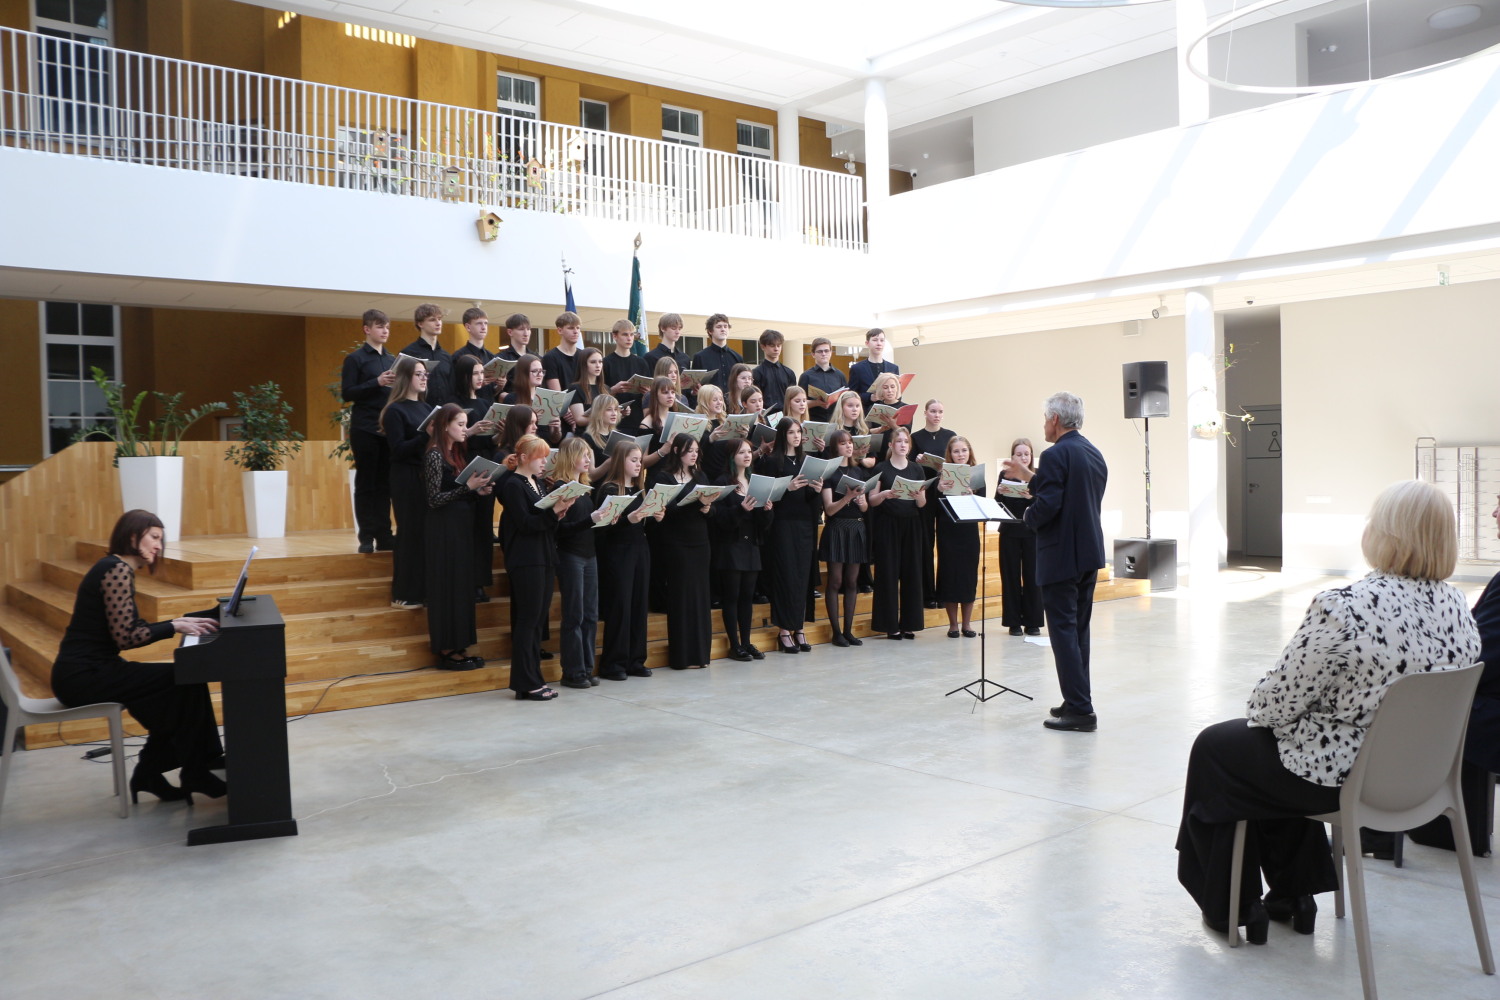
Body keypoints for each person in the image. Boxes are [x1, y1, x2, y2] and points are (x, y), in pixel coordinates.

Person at [1176, 480, 1480, 944]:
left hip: (1346, 780)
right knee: (1276, 750)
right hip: (1423, 781)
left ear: (1385, 534)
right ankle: (1293, 896)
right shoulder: (1458, 608)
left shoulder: (1346, 608)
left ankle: (1233, 907)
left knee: (1220, 747)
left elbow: (1270, 705)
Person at [50, 509, 225, 803]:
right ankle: (193, 768)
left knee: (175, 691)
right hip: (83, 676)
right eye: (154, 537)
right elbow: (127, 636)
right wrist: (175, 626)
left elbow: (127, 628)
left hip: (91, 670)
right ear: (133, 536)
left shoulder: (113, 568)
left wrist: (176, 622)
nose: (159, 546)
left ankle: (155, 773)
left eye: (160, 539)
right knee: (182, 680)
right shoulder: (116, 569)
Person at [1004, 392, 1106, 731]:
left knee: (1062, 633)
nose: (1044, 424)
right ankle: (1076, 699)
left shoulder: (1053, 454)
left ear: (1055, 420)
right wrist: (1029, 477)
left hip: (1061, 555)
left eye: (1045, 418)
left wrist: (1027, 517)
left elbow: (1048, 506)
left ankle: (1081, 711)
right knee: (1078, 632)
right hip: (1088, 554)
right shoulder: (1092, 452)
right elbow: (1071, 493)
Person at [498, 434, 574, 701]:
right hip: (526, 559)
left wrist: (559, 512)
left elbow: (542, 521)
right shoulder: (512, 485)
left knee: (536, 621)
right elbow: (526, 524)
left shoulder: (538, 483)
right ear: (523, 458)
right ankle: (526, 682)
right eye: (540, 457)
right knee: (528, 621)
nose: (544, 462)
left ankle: (533, 680)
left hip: (544, 556)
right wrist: (553, 513)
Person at [422, 403, 494, 669]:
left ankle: (459, 645)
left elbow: (456, 491)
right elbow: (433, 499)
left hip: (460, 528)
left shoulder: (455, 453)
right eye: (461, 425)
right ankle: (446, 649)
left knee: (461, 588)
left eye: (465, 425)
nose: (466, 429)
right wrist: (467, 488)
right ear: (445, 426)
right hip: (443, 531)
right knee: (446, 588)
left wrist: (477, 490)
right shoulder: (434, 454)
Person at [594, 441, 659, 680]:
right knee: (620, 606)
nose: (638, 464)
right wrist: (628, 519)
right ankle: (614, 663)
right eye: (633, 460)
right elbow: (602, 529)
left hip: (640, 549)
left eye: (640, 460)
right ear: (621, 461)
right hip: (617, 551)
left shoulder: (640, 489)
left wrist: (655, 515)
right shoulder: (609, 489)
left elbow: (642, 524)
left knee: (639, 605)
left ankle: (635, 660)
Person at [756, 418, 820, 654]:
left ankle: (799, 628)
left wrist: (816, 490)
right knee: (786, 575)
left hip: (804, 524)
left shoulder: (805, 461)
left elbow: (809, 499)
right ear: (783, 435)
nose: (796, 436)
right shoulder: (771, 461)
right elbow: (765, 495)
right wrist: (787, 488)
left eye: (798, 432)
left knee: (802, 576)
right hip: (782, 524)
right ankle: (784, 630)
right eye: (791, 432)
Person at [650, 433, 714, 669]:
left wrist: (708, 508)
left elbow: (711, 511)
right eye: (690, 450)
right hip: (676, 543)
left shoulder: (700, 476)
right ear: (677, 451)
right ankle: (682, 657)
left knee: (700, 597)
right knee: (680, 597)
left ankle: (701, 655)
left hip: (700, 542)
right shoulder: (664, 477)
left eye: (696, 450)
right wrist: (698, 504)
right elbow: (669, 511)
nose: (694, 454)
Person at [340, 308, 396, 553]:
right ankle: (366, 536)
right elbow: (347, 393)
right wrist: (377, 382)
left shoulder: (392, 360)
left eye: (387, 327)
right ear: (367, 329)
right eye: (380, 326)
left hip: (387, 429)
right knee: (366, 483)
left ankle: (384, 535)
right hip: (365, 428)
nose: (385, 331)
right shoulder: (355, 359)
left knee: (385, 484)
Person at [379, 355, 433, 609]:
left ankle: (424, 590)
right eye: (418, 374)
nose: (424, 378)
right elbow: (398, 450)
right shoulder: (395, 410)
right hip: (406, 476)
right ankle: (403, 593)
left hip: (426, 475)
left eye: (425, 374)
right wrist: (426, 435)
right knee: (409, 533)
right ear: (405, 378)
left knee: (425, 535)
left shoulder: (426, 408)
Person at [551, 438, 606, 689]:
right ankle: (572, 671)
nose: (588, 460)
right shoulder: (561, 487)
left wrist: (605, 518)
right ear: (570, 457)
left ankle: (586, 667)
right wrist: (591, 520)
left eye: (588, 455)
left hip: (589, 554)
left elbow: (586, 524)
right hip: (570, 555)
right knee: (574, 614)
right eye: (584, 455)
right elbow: (560, 530)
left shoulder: (584, 487)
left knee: (591, 614)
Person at [712, 438, 772, 661]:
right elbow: (719, 520)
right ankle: (734, 645)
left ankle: (746, 642)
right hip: (731, 546)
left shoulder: (753, 481)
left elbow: (764, 524)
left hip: (751, 545)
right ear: (731, 457)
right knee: (732, 597)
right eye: (741, 453)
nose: (747, 456)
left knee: (747, 597)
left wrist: (767, 510)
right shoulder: (723, 482)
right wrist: (741, 509)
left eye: (749, 452)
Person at [867, 425, 927, 640]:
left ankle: (910, 624)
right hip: (888, 525)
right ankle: (889, 625)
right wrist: (885, 494)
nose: (903, 445)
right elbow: (872, 501)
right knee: (888, 573)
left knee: (912, 573)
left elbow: (922, 504)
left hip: (911, 525)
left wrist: (918, 495)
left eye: (906, 442)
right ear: (891, 445)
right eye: (899, 441)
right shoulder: (881, 468)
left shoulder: (917, 470)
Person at [450, 354, 500, 601]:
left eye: (482, 373)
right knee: (465, 528)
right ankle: (464, 581)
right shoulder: (454, 404)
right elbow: (449, 441)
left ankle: (481, 581)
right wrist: (469, 431)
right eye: (476, 373)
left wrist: (499, 434)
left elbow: (491, 441)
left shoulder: (484, 403)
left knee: (483, 526)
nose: (481, 378)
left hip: (485, 464)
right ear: (464, 376)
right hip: (463, 463)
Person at [819, 429, 869, 647]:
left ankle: (848, 631)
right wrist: (847, 497)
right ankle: (836, 632)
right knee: (836, 580)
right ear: (834, 447)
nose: (848, 446)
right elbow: (829, 509)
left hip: (856, 527)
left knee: (851, 581)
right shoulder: (829, 473)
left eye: (850, 442)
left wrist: (861, 502)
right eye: (842, 443)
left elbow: (865, 508)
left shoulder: (858, 471)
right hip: (837, 527)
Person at [996, 437, 1043, 637]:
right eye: (1019, 454)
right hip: (1010, 531)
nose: (1023, 458)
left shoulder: (1038, 475)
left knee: (1033, 576)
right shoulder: (1005, 474)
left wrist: (1031, 497)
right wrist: (1000, 493)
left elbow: (1046, 504)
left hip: (1032, 533)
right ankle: (1013, 621)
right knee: (1010, 577)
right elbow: (998, 504)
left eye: (1026, 454)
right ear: (1012, 456)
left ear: (1031, 456)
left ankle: (1033, 622)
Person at [911, 398, 956, 609]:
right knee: (926, 544)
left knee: (946, 544)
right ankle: (927, 594)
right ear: (925, 413)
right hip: (926, 495)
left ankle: (945, 593)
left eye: (940, 412)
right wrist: (918, 462)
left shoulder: (950, 436)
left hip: (946, 494)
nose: (937, 415)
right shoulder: (916, 437)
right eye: (933, 411)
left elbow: (957, 462)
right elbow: (910, 467)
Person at [934, 436, 980, 638]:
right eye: (956, 451)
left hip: (969, 532)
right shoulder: (941, 476)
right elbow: (934, 508)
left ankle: (967, 624)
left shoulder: (977, 475)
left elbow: (982, 504)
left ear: (969, 452)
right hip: (948, 532)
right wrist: (939, 490)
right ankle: (953, 625)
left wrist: (972, 496)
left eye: (964, 450)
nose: (961, 454)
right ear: (950, 454)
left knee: (968, 577)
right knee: (949, 576)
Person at [399, 303, 454, 406]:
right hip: (417, 410)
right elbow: (402, 387)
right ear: (420, 324)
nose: (438, 323)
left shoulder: (446, 356)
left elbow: (451, 388)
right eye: (432, 320)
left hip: (444, 412)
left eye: (439, 319)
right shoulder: (408, 353)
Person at [503, 353, 564, 446]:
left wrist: (556, 428)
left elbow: (555, 438)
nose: (540, 374)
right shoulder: (511, 399)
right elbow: (511, 434)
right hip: (524, 448)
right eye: (535, 371)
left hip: (545, 448)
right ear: (523, 373)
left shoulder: (547, 397)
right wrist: (530, 419)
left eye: (541, 371)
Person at [603, 319, 651, 411]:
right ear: (615, 336)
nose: (629, 338)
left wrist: (648, 392)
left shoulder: (641, 362)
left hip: (638, 414)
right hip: (614, 414)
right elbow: (598, 395)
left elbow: (649, 392)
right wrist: (613, 390)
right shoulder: (605, 363)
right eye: (625, 334)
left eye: (632, 334)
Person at [847, 327, 898, 409]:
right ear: (867, 343)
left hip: (888, 411)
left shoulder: (893, 368)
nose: (879, 343)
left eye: (882, 340)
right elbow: (851, 395)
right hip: (866, 412)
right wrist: (869, 397)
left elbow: (898, 393)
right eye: (875, 340)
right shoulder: (857, 368)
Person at [799, 336, 847, 423]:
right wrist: (816, 403)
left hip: (836, 422)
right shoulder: (806, 376)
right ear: (813, 354)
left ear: (831, 352)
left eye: (826, 351)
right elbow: (799, 403)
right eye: (820, 351)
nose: (824, 354)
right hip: (814, 421)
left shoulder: (840, 375)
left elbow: (846, 399)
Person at [452, 306, 497, 399]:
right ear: (468, 327)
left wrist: (500, 386)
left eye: (486, 323)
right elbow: (455, 387)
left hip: (488, 405)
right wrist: (477, 384)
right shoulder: (458, 356)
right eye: (479, 323)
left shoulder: (492, 357)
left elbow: (493, 392)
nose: (484, 327)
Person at [691, 312, 741, 390]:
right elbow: (694, 386)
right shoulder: (700, 357)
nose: (723, 329)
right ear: (710, 331)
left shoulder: (737, 357)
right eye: (719, 327)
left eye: (725, 326)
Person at [752, 329, 797, 415]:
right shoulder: (756, 373)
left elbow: (793, 397)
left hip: (786, 416)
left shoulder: (789, 372)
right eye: (772, 345)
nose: (776, 349)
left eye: (779, 345)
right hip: (764, 416)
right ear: (763, 347)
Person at [542, 310, 584, 395]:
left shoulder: (584, 356)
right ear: (560, 330)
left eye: (578, 328)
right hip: (562, 402)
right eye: (571, 328)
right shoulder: (550, 357)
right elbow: (556, 394)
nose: (576, 331)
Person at [565, 347, 609, 427]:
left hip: (605, 432)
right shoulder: (576, 388)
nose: (598, 365)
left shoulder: (605, 388)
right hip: (586, 433)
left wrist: (620, 413)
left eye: (600, 362)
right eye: (593, 362)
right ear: (584, 364)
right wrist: (603, 418)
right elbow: (579, 420)